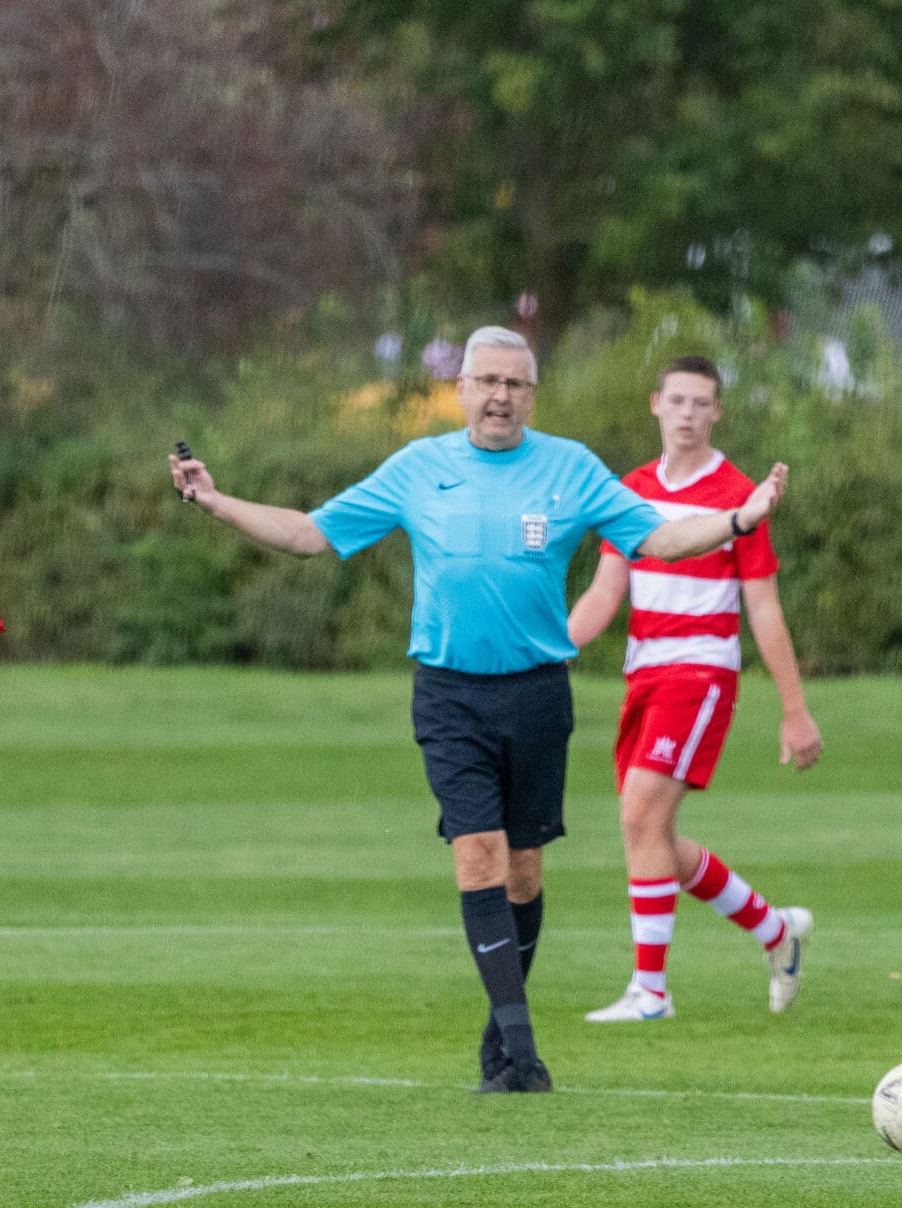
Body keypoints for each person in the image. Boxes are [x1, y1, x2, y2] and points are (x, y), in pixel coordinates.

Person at [168, 326, 788, 1094]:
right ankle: (521, 1054)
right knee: (477, 856)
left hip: (535, 695)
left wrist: (738, 519)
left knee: (523, 871)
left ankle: (500, 1036)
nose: (500, 396)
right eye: (487, 381)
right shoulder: (418, 468)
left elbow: (660, 538)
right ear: (461, 388)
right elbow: (307, 534)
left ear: (531, 394)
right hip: (448, 694)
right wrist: (216, 500)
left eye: (515, 384)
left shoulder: (569, 467)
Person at [566, 356, 820, 1022]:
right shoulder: (632, 489)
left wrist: (794, 712)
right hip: (644, 672)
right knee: (651, 834)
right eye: (675, 400)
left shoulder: (740, 494)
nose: (686, 413)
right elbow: (605, 592)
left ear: (717, 412)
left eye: (699, 402)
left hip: (701, 671)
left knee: (640, 815)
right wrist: (550, 649)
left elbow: (763, 608)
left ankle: (651, 993)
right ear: (655, 405)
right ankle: (775, 930)